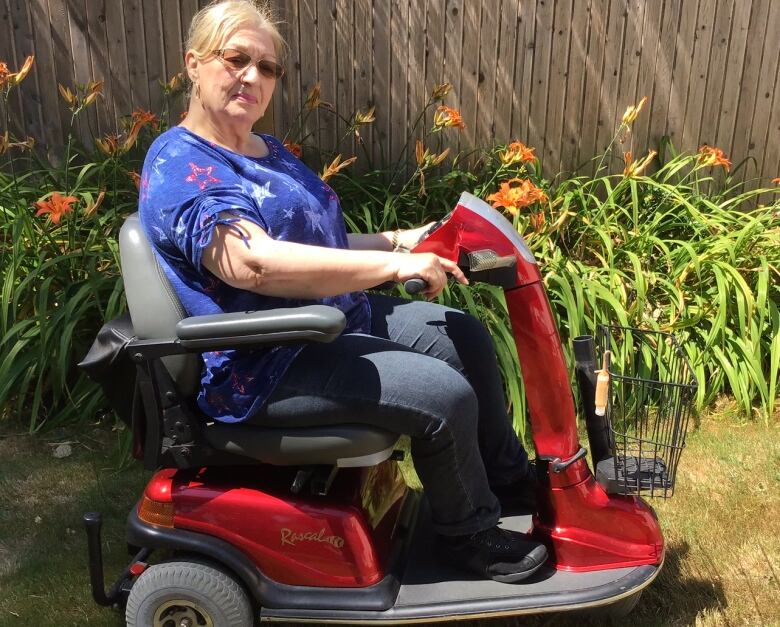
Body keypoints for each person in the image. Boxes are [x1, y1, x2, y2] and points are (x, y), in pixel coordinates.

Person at [138, 0, 547, 583]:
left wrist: (401, 240)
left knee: (465, 336)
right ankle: (469, 536)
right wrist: (388, 268)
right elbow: (251, 264)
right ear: (194, 64)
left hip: (326, 320)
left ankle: (506, 479)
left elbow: (317, 240)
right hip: (267, 357)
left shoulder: (264, 150)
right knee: (441, 393)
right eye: (236, 60)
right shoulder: (181, 164)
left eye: (268, 67)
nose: (253, 77)